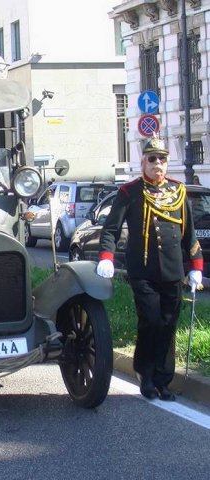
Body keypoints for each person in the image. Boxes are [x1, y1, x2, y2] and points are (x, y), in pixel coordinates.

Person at [96, 136, 203, 401]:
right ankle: (145, 374)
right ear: (143, 162)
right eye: (152, 159)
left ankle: (163, 380)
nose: (158, 164)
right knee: (151, 321)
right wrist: (106, 257)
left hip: (172, 271)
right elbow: (111, 229)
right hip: (143, 271)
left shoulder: (178, 192)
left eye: (162, 159)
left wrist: (195, 266)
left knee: (168, 325)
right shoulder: (130, 192)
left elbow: (188, 233)